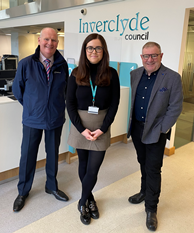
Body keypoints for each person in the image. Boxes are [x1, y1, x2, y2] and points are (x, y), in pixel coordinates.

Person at [127, 42, 183, 231]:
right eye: (146, 56)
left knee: (153, 168)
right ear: (141, 57)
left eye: (154, 55)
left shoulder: (172, 78)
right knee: (142, 162)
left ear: (161, 56)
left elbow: (175, 107)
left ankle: (151, 208)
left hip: (156, 131)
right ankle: (144, 191)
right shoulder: (135, 74)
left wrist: (162, 129)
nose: (149, 59)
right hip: (137, 129)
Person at [12, 27, 69, 212]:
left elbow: (65, 91)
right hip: (32, 119)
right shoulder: (26, 64)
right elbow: (18, 91)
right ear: (39, 40)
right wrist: (32, 107)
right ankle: (23, 191)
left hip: (55, 118)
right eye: (46, 39)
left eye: (53, 40)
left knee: (52, 154)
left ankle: (51, 186)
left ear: (57, 43)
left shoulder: (62, 65)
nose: (49, 43)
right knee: (27, 156)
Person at [66, 33, 120, 225]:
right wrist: (81, 129)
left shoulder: (111, 73)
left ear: (103, 50)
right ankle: (90, 199)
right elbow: (70, 103)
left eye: (98, 48)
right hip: (80, 126)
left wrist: (103, 129)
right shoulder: (76, 73)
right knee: (83, 164)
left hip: (100, 128)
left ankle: (82, 201)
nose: (94, 51)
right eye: (90, 48)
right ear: (85, 50)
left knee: (93, 169)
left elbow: (114, 104)